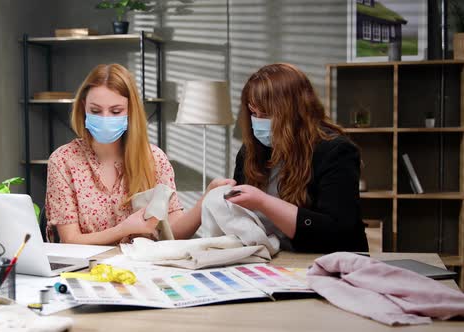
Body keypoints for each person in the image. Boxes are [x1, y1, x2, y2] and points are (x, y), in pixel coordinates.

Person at [45, 64, 204, 244]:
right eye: (96, 111)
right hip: (89, 270)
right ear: (83, 107)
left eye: (116, 111)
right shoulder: (63, 161)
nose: (105, 118)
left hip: (145, 270)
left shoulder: (154, 159)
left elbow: (174, 234)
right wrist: (124, 229)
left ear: (130, 111)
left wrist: (203, 204)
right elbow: (70, 241)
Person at [222, 63, 368, 253]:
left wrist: (263, 202)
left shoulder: (336, 152)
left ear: (294, 112)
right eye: (253, 112)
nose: (257, 121)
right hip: (269, 260)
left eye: (265, 113)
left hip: (323, 259)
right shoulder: (250, 153)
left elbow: (337, 232)